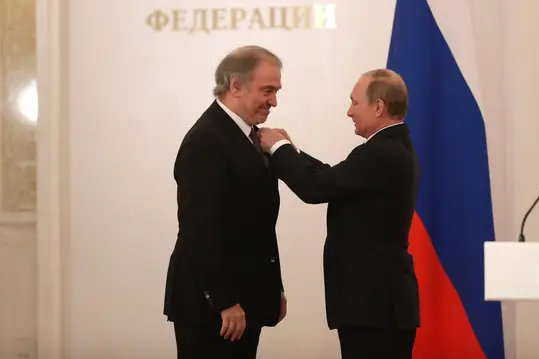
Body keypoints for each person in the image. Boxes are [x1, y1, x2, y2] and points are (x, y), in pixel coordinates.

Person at [259, 69, 420, 359]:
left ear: (378, 107)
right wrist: (289, 149)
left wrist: (277, 148)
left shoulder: (382, 153)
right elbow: (335, 179)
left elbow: (316, 188)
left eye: (355, 102)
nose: (349, 112)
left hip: (374, 306)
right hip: (379, 305)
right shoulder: (389, 148)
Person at [164, 45, 287, 359]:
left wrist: (273, 287)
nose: (274, 100)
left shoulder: (250, 137)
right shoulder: (206, 140)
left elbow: (257, 223)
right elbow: (198, 229)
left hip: (244, 299)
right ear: (235, 85)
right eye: (267, 90)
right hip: (213, 308)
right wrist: (223, 300)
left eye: (276, 91)